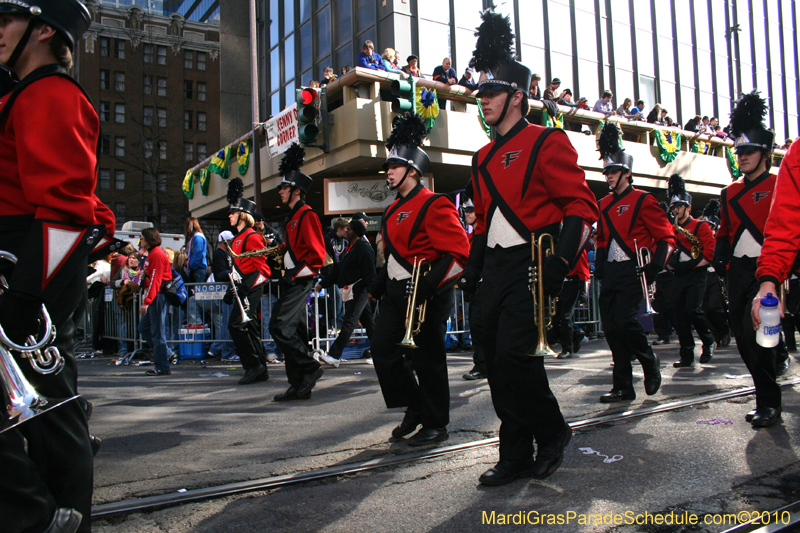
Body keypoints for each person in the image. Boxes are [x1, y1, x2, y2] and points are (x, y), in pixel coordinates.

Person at [459, 11, 599, 486]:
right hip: (494, 267)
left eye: (493, 94)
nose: (485, 102)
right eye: (482, 95)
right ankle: (515, 452)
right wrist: (472, 269)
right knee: (494, 360)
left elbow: (582, 209)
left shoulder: (546, 141)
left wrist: (561, 262)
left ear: (517, 97)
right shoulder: (479, 158)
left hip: (532, 264)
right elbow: (480, 223)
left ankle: (553, 431)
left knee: (517, 356)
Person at [0, 3, 116, 531]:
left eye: (5, 20)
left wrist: (27, 295)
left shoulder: (49, 92)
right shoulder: (24, 93)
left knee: (51, 409)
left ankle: (54, 521)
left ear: (43, 28)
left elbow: (67, 210)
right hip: (22, 258)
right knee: (45, 406)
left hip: (28, 264)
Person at [368, 112, 469, 446]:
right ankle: (415, 406)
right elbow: (394, 254)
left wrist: (428, 287)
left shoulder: (435, 204)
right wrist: (378, 284)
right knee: (382, 350)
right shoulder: (391, 209)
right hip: (397, 291)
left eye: (394, 167)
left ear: (412, 170)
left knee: (428, 360)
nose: (389, 172)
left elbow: (458, 253)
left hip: (429, 292)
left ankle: (436, 423)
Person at [594, 121, 674, 404]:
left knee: (627, 322)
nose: (609, 176)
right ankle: (622, 386)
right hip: (613, 270)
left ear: (627, 173)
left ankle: (649, 361)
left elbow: (666, 237)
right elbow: (601, 239)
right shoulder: (602, 204)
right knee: (611, 328)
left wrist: (656, 267)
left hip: (634, 269)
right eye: (606, 172)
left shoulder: (644, 200)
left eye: (613, 172)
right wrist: (600, 262)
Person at [715, 91, 781, 428]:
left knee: (762, 339)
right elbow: (725, 230)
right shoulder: (729, 192)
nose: (741, 157)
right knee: (743, 340)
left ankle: (769, 403)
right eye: (738, 151)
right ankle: (765, 395)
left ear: (765, 154)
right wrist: (719, 255)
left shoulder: (780, 185)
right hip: (739, 271)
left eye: (748, 151)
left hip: (770, 271)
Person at [270, 143, 327, 401]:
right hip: (293, 278)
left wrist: (293, 276)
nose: (280, 191)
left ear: (296, 191)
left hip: (301, 279)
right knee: (296, 332)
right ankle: (299, 384)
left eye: (284, 187)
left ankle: (310, 367)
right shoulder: (292, 217)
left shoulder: (307, 215)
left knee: (279, 326)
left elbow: (316, 257)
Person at [666, 175, 717, 367]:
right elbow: (667, 250)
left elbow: (710, 251)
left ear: (687, 208)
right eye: (673, 208)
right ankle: (686, 354)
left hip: (696, 273)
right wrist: (672, 264)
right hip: (679, 274)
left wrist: (692, 265)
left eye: (678, 207)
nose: (675, 211)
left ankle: (708, 340)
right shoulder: (671, 228)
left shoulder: (700, 226)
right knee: (679, 314)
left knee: (693, 311)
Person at [225, 178, 271, 384]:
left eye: (233, 213)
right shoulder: (236, 238)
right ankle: (259, 366)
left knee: (236, 325)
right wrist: (232, 289)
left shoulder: (252, 236)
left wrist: (244, 288)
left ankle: (253, 366)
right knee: (248, 326)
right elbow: (238, 268)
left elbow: (262, 269)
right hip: (243, 286)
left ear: (243, 215)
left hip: (251, 287)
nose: (229, 216)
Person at [316, 217, 377, 367]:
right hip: (354, 289)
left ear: (355, 232)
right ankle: (379, 353)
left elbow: (370, 272)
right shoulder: (352, 247)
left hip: (360, 289)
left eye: (349, 229)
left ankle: (335, 355)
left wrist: (372, 291)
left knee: (349, 321)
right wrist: (323, 283)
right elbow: (339, 269)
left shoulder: (363, 248)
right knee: (369, 323)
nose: (346, 231)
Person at [138, 228, 172, 377]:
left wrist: (147, 301)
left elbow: (155, 280)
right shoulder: (153, 254)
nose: (140, 241)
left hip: (157, 296)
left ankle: (162, 366)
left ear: (149, 239)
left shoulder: (156, 254)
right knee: (144, 328)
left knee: (158, 333)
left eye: (142, 239)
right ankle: (165, 356)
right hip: (155, 296)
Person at [207, 231, 239, 362]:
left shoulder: (225, 254)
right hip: (224, 290)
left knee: (227, 321)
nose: (232, 242)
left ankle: (215, 349)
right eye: (229, 240)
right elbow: (220, 273)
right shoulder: (219, 255)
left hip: (227, 289)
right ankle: (226, 352)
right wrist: (234, 273)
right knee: (227, 321)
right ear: (223, 241)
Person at [185, 217, 208, 283]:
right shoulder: (195, 237)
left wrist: (192, 266)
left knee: (196, 290)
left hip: (198, 269)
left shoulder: (197, 237)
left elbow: (198, 253)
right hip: (196, 268)